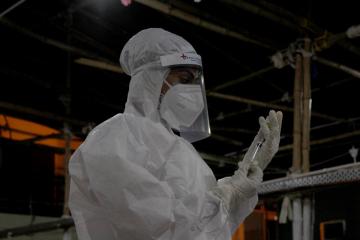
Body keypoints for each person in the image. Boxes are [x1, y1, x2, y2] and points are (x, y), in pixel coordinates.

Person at [69, 28, 282, 240]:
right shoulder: (112, 141)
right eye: (185, 78)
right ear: (152, 78)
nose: (192, 90)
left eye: (195, 81)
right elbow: (158, 225)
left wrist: (244, 177)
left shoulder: (184, 151)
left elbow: (208, 230)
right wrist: (227, 194)